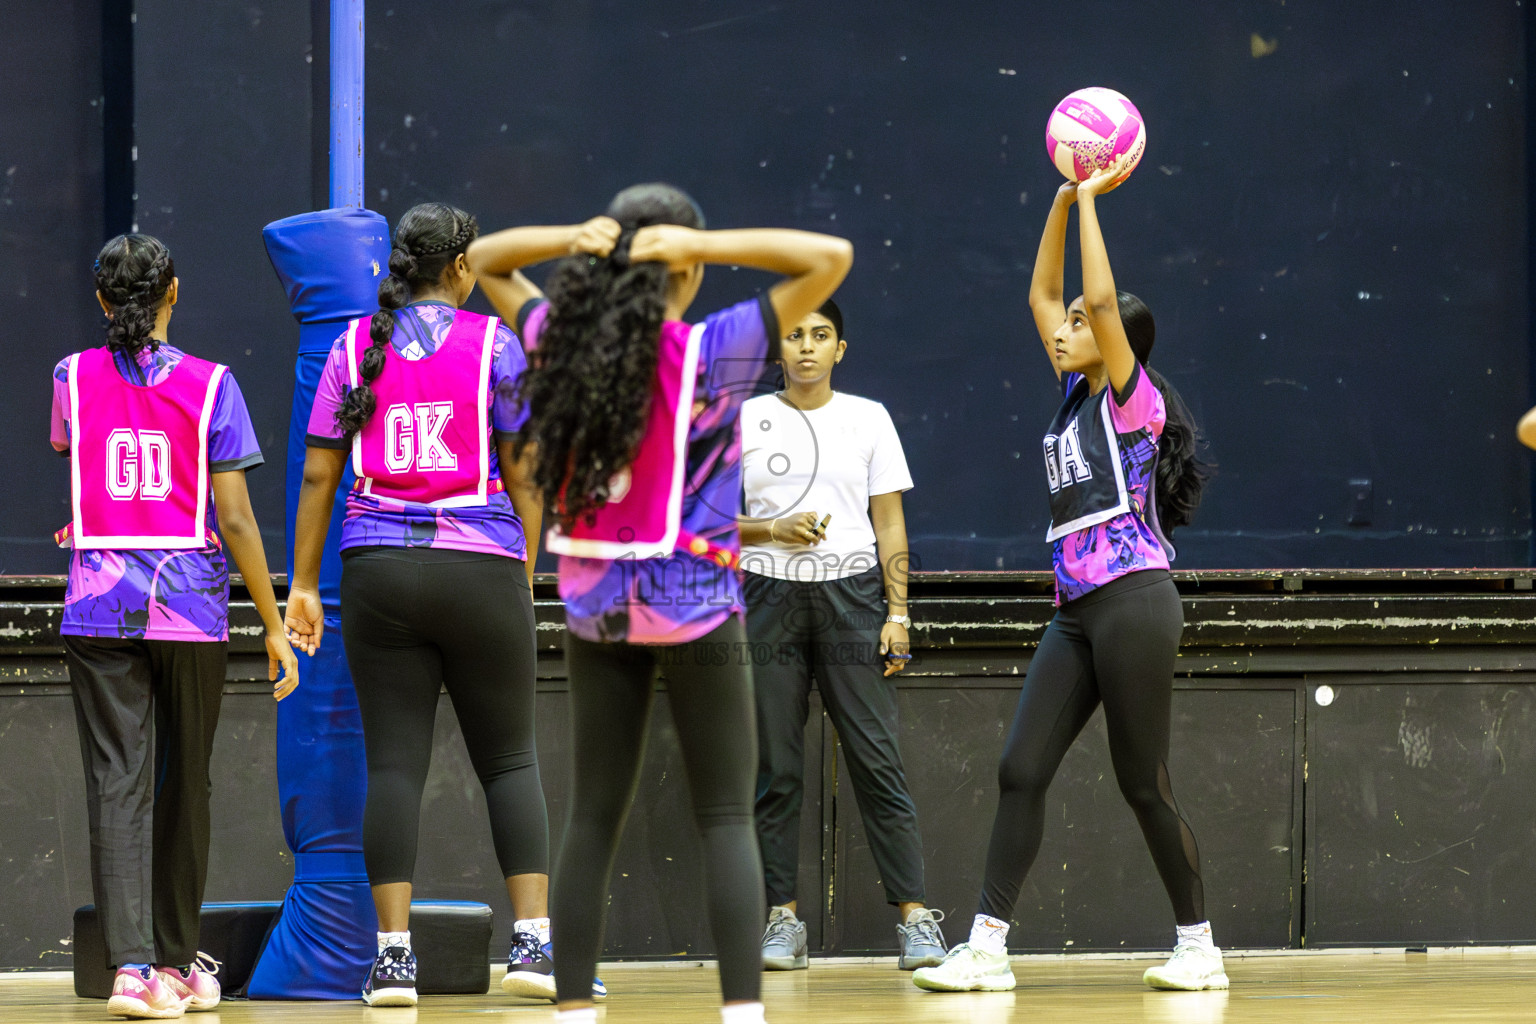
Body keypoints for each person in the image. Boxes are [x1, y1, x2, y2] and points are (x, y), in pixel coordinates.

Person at [467, 182, 852, 1024]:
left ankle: (573, 1009)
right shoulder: (716, 349)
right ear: (683, 265)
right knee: (724, 815)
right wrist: (697, 247)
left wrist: (577, 229)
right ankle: (742, 1012)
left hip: (594, 601)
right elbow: (832, 258)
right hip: (696, 601)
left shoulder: (559, 342)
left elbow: (487, 258)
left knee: (592, 816)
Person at [912, 158, 1221, 994]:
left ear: (1117, 341)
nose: (1065, 327)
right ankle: (986, 948)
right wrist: (1056, 199)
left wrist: (1090, 201)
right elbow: (1041, 295)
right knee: (1020, 768)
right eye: (1071, 323)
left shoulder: (1132, 398)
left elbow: (1094, 287)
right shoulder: (1073, 395)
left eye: (1083, 323)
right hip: (1077, 610)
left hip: (1137, 604)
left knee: (1142, 783)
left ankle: (1199, 946)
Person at [283, 202, 560, 1007]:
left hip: (379, 571)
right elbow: (526, 469)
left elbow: (316, 477)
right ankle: (535, 948)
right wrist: (524, 562)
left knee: (394, 765)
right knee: (510, 759)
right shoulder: (496, 345)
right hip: (481, 567)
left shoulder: (351, 347)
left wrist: (302, 584)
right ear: (464, 268)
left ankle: (394, 959)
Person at [54, 234, 299, 1020]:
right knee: (184, 782)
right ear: (175, 293)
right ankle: (172, 959)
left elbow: (81, 459)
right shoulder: (213, 384)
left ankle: (131, 970)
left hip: (98, 603)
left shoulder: (70, 377)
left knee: (115, 783)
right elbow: (235, 516)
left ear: (101, 299)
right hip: (189, 608)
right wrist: (271, 620)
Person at [736, 299, 944, 971]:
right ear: (778, 349)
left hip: (853, 598)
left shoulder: (868, 417)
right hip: (766, 595)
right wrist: (771, 530)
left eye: (820, 336)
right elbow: (706, 523)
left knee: (876, 760)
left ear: (840, 350)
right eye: (794, 335)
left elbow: (890, 522)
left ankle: (916, 920)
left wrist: (898, 611)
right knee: (776, 766)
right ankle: (781, 920)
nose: (806, 348)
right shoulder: (744, 420)